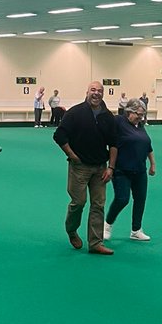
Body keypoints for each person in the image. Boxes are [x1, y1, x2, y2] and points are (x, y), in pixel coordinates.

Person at [53, 81, 118, 255]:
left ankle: (96, 243)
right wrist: (73, 156)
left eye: (100, 91)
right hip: (79, 167)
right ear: (87, 92)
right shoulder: (75, 113)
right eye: (93, 90)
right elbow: (59, 135)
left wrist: (111, 168)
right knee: (79, 203)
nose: (96, 93)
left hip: (100, 168)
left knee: (98, 205)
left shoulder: (108, 117)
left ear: (103, 94)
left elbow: (114, 143)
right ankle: (71, 230)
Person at [104, 99, 156, 243]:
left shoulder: (140, 126)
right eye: (138, 114)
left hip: (140, 171)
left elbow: (148, 146)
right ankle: (107, 226)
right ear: (129, 111)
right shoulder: (118, 121)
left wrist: (152, 164)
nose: (141, 117)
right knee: (122, 199)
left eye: (142, 114)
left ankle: (136, 230)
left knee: (140, 199)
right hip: (121, 170)